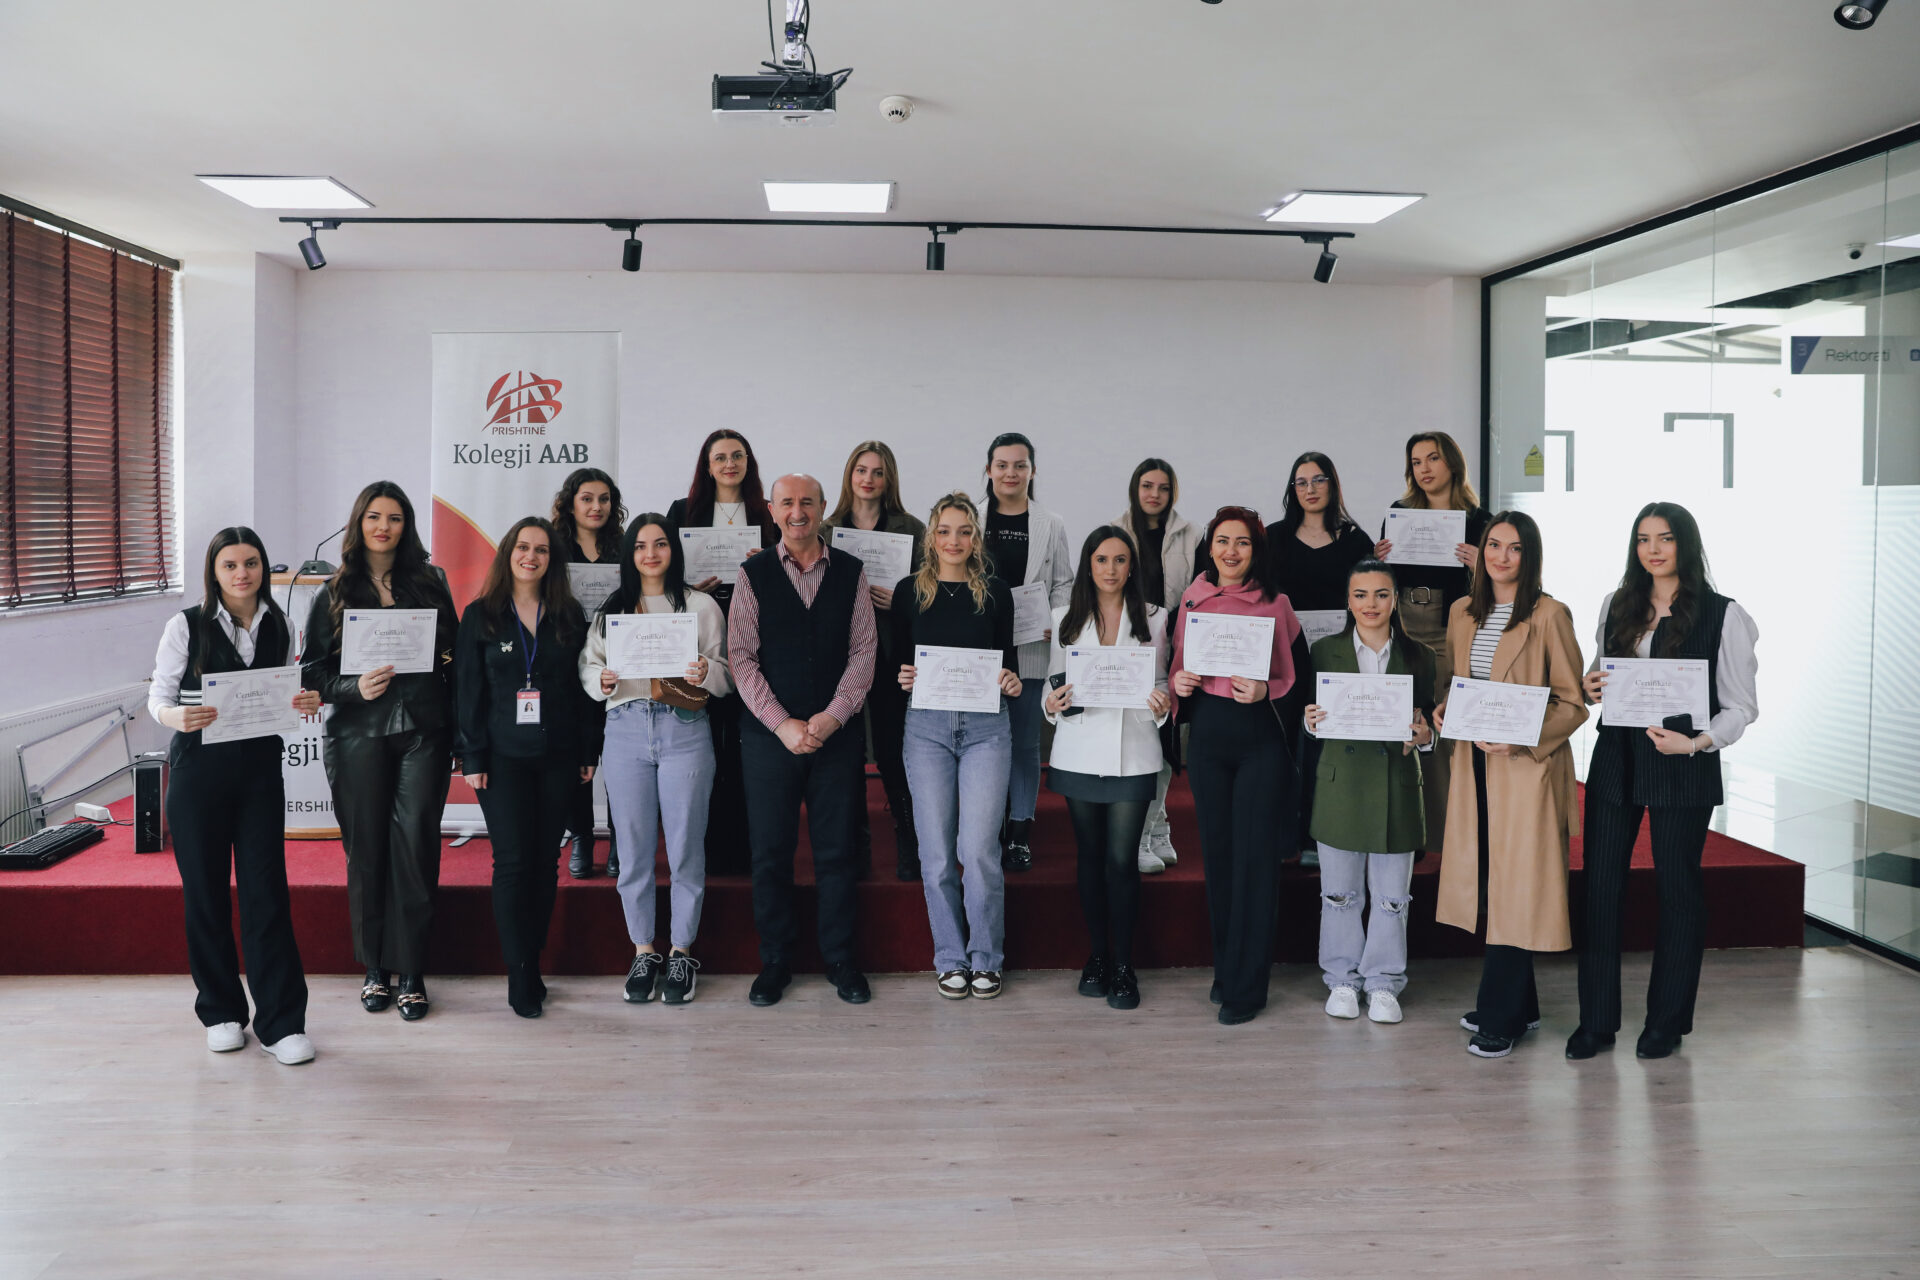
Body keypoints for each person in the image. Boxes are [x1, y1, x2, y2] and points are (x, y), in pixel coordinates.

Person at [1570, 502, 1758, 1061]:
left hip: (1684, 756)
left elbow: (1740, 707)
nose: (1653, 549)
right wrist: (1589, 685)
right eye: (1643, 539)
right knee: (1601, 885)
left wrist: (1697, 742)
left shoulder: (1725, 615)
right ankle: (1596, 1023)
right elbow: (1599, 677)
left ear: (1686, 545)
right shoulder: (1616, 604)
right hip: (1617, 754)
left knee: (1678, 888)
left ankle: (1666, 1022)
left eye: (1665, 539)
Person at [148, 527, 321, 1064]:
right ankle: (221, 1011)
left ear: (263, 568)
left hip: (260, 776)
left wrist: (305, 700)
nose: (242, 573)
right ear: (214, 572)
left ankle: (281, 1022)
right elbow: (157, 695)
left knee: (267, 894)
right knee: (205, 895)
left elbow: (284, 693)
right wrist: (176, 715)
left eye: (251, 563)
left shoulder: (283, 624)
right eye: (230, 565)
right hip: (198, 773)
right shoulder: (186, 626)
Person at [302, 481, 458, 1022]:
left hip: (424, 730)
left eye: (394, 517)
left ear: (406, 525)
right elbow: (311, 674)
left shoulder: (431, 581)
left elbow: (452, 658)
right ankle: (375, 969)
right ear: (358, 522)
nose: (383, 526)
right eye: (373, 516)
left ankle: (412, 971)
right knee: (365, 853)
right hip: (356, 734)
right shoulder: (333, 590)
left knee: (416, 847)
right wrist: (351, 688)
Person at [1433, 511, 1587, 1059]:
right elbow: (1457, 682)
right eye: (1493, 545)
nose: (1500, 556)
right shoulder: (1461, 612)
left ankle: (1501, 1014)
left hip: (1525, 769)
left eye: (1514, 548)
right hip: (1474, 764)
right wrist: (1447, 706)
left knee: (1514, 887)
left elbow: (1573, 703)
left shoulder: (1550, 615)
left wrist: (1523, 741)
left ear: (1531, 556)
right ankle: (1522, 1006)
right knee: (1492, 879)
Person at [728, 474, 878, 1008]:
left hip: (835, 739)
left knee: (836, 854)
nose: (798, 512)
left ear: (821, 510)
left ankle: (840, 959)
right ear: (772, 510)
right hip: (770, 741)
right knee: (770, 854)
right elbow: (741, 659)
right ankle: (775, 962)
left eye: (807, 503)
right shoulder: (752, 574)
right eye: (788, 502)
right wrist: (782, 723)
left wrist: (832, 718)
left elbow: (864, 654)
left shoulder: (852, 573)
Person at [580, 514, 733, 1006]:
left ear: (673, 551)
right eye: (641, 546)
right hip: (625, 729)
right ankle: (644, 950)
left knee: (687, 847)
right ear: (629, 554)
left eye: (660, 544)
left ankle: (682, 951)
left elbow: (728, 674)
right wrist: (599, 680)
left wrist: (706, 670)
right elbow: (590, 663)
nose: (650, 554)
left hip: (684, 730)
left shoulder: (702, 606)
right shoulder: (614, 610)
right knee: (634, 849)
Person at [1168, 508, 1310, 1025]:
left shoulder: (1278, 605)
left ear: (1256, 550)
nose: (1231, 551)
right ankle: (1226, 970)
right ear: (1210, 547)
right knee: (1221, 862)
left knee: (1254, 865)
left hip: (1259, 747)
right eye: (1223, 542)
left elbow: (1302, 683)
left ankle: (1249, 988)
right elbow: (1178, 666)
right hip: (1208, 744)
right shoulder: (1191, 599)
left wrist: (1267, 689)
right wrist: (1179, 682)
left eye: (1242, 543)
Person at [454, 517, 598, 1019]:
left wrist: (588, 752)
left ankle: (532, 958)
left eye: (541, 549)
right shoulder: (481, 615)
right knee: (513, 863)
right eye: (522, 547)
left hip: (559, 757)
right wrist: (471, 757)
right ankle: (519, 970)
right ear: (507, 554)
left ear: (552, 560)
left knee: (546, 863)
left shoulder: (568, 614)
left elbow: (583, 692)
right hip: (500, 761)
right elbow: (467, 692)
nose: (531, 556)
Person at [893, 493, 1022, 999]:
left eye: (964, 531)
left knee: (978, 850)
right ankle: (950, 957)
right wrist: (903, 677)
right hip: (925, 728)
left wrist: (1010, 680)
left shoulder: (996, 592)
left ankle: (986, 958)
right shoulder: (909, 593)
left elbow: (1006, 661)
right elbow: (899, 664)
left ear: (976, 538)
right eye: (945, 530)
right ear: (931, 537)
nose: (954, 540)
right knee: (937, 854)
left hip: (988, 728)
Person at [1301, 560, 1435, 1026]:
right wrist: (1309, 721)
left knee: (1392, 897)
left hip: (1396, 784)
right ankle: (1341, 978)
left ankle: (1382, 983)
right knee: (1338, 894)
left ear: (1395, 600)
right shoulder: (1323, 652)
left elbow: (1431, 729)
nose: (1371, 604)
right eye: (1361, 594)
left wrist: (1424, 737)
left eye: (1381, 594)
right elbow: (1307, 719)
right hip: (1341, 783)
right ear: (1348, 600)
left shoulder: (1420, 655)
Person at [1044, 526, 1171, 1010]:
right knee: (1090, 860)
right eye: (1102, 560)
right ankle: (1096, 956)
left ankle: (1124, 965)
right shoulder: (1065, 618)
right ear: (1088, 565)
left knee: (1121, 862)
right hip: (1078, 752)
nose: (1111, 569)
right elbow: (1054, 683)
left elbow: (1161, 680)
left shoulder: (1156, 619)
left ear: (1131, 566)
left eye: (1121, 560)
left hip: (1134, 752)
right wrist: (1052, 702)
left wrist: (1161, 703)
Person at [668, 431, 779, 879]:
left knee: (745, 741)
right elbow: (665, 571)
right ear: (707, 465)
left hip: (754, 637)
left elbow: (787, 570)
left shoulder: (766, 512)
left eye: (737, 456)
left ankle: (745, 845)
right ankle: (705, 844)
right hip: (700, 634)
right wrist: (690, 587)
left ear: (748, 462)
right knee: (699, 741)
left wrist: (766, 561)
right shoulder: (683, 511)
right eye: (720, 457)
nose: (729, 463)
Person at [1374, 432, 1490, 857]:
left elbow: (1504, 586)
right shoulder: (1400, 514)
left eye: (1433, 458)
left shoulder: (1479, 520)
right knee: (1400, 722)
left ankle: (1445, 835)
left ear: (1453, 464)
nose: (1423, 468)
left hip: (1450, 627)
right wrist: (1377, 561)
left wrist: (1483, 567)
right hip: (1402, 621)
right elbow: (1379, 579)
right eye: (1416, 461)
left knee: (1442, 730)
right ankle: (1405, 831)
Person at [826, 441, 927, 882]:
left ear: (889, 480)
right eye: (861, 470)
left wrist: (900, 599)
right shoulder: (827, 530)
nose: (868, 479)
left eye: (878, 472)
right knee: (846, 754)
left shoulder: (912, 527)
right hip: (841, 657)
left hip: (893, 654)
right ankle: (857, 846)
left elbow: (932, 593)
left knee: (891, 751)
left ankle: (909, 841)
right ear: (849, 476)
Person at [979, 432, 1072, 872]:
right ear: (989, 470)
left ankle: (1019, 830)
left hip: (1032, 646)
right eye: (1002, 465)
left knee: (1024, 744)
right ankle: (987, 824)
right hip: (981, 651)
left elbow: (1065, 584)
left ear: (1032, 471)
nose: (1010, 473)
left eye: (1020, 465)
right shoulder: (971, 519)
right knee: (985, 742)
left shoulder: (1051, 523)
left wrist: (1057, 616)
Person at [1115, 458, 1198, 875]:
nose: (1154, 495)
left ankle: (1157, 822)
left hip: (1174, 648)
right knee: (1140, 739)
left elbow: (1200, 590)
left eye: (1163, 488)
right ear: (1135, 488)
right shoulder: (1115, 531)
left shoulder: (1190, 533)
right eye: (1147, 486)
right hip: (1128, 649)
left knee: (1166, 740)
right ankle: (1147, 829)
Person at [551, 467, 626, 881]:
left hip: (615, 665)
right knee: (574, 757)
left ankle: (618, 838)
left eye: (604, 499)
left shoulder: (625, 547)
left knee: (617, 758)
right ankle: (580, 835)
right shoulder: (554, 550)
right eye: (587, 498)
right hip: (565, 665)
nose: (596, 507)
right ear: (571, 503)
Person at [1270, 452, 1376, 613]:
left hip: (1341, 636)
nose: (1310, 490)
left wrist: (1380, 560)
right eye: (1301, 483)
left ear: (1332, 484)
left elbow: (1372, 595)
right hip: (1285, 636)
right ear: (1294, 489)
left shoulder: (1356, 540)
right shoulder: (1272, 537)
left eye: (1319, 480)